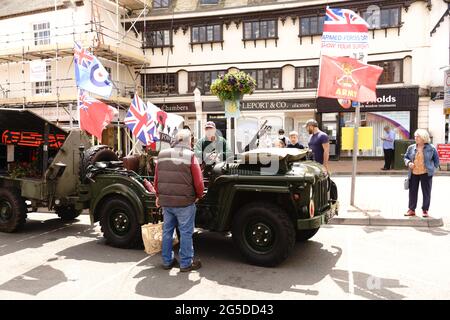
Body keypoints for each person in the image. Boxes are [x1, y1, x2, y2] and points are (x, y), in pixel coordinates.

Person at [154, 129, 204, 271]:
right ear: (189, 141)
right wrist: (199, 195)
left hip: (166, 202)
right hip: (185, 203)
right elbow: (199, 182)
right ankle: (186, 263)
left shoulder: (162, 155)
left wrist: (158, 195)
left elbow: (157, 179)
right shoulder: (190, 156)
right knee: (186, 232)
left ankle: (167, 261)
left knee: (167, 231)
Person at [404, 129, 440, 218]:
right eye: (415, 136)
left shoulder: (431, 148)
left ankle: (425, 210)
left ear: (424, 138)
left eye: (418, 136)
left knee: (426, 192)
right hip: (413, 173)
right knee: (412, 192)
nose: (415, 138)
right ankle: (411, 210)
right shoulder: (411, 147)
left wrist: (432, 169)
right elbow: (406, 157)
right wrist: (408, 163)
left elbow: (436, 161)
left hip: (426, 173)